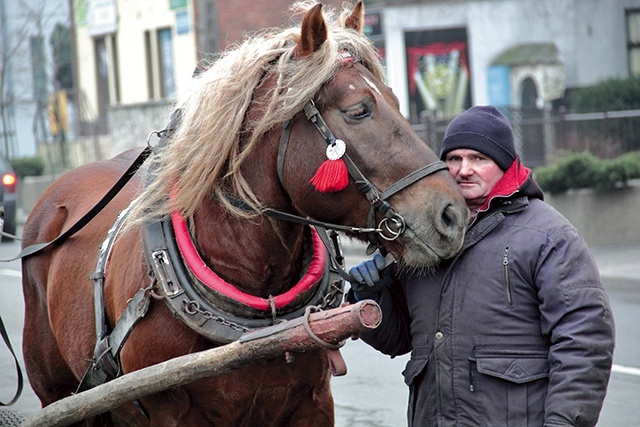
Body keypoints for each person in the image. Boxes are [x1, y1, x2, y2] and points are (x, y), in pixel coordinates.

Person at [348, 105, 615, 426]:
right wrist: (373, 300)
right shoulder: (422, 237)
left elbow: (585, 340)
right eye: (454, 159)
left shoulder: (548, 236)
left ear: (505, 165)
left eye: (479, 159)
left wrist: (563, 422)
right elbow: (398, 340)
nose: (464, 170)